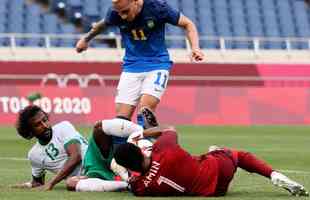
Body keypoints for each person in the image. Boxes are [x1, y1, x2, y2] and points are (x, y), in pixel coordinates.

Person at [75, 0, 204, 127]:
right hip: (131, 67)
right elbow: (101, 25)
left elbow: (188, 24)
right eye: (119, 13)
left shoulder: (157, 8)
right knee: (121, 122)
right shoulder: (116, 12)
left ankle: (146, 145)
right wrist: (86, 39)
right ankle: (125, 147)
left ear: (136, 2)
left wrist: (195, 48)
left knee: (145, 112)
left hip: (157, 65)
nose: (122, 16)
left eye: (125, 12)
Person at [114, 127, 309, 197]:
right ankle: (273, 174)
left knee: (203, 157)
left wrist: (126, 172)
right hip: (218, 169)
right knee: (239, 156)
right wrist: (142, 133)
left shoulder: (140, 189)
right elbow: (169, 129)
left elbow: (135, 180)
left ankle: (214, 152)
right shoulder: (164, 149)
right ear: (139, 150)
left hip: (213, 192)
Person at [66, 107, 159, 192]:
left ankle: (146, 132)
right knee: (71, 183)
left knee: (99, 126)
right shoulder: (94, 171)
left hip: (123, 155)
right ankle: (127, 185)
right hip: (103, 171)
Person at [12, 105, 88, 190]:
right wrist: (26, 185)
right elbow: (38, 183)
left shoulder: (63, 127)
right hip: (83, 180)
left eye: (45, 120)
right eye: (38, 125)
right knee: (71, 184)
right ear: (30, 131)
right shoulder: (34, 155)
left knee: (71, 184)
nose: (45, 126)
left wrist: (51, 183)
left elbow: (76, 156)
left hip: (99, 167)